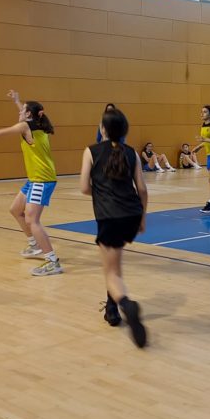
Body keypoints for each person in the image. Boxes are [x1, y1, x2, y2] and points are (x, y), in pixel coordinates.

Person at [0, 90, 63, 276]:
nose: (19, 112)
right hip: (35, 178)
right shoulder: (37, 124)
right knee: (15, 210)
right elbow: (26, 115)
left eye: (23, 110)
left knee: (32, 220)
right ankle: (34, 245)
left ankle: (52, 261)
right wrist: (18, 102)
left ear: (28, 114)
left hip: (42, 179)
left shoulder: (25, 126)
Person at [79, 108, 148, 347]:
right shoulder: (132, 153)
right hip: (131, 213)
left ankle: (126, 304)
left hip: (109, 216)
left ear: (103, 129)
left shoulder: (91, 151)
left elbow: (84, 187)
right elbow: (142, 189)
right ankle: (113, 310)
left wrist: (101, 192)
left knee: (111, 274)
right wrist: (142, 219)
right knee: (116, 267)